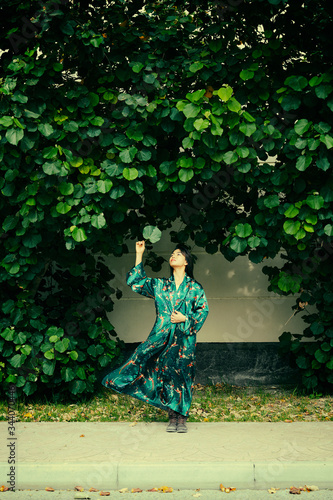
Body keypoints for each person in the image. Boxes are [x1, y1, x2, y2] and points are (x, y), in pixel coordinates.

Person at [102, 241, 209, 433]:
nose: (173, 256)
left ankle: (182, 417)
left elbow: (203, 311)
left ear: (186, 261)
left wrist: (185, 318)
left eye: (178, 254)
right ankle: (172, 416)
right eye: (172, 254)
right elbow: (137, 283)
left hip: (184, 341)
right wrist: (139, 254)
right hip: (160, 339)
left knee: (183, 375)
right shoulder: (160, 285)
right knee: (164, 373)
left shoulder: (195, 288)